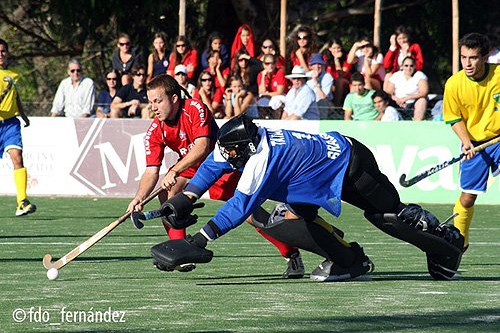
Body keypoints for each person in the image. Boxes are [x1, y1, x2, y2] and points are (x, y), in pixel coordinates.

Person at [150, 114, 464, 281]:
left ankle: (446, 245)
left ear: (245, 148)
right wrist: (186, 197)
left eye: (233, 152)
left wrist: (199, 240)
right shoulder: (243, 139)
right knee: (281, 220)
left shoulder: (263, 159)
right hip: (316, 175)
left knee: (389, 217)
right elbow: (211, 166)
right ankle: (349, 260)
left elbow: (239, 206)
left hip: (350, 165)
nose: (228, 156)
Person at [128, 75, 304, 277]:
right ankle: (178, 253)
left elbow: (202, 148)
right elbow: (151, 171)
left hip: (221, 166)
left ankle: (291, 254)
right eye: (151, 102)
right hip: (192, 168)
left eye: (158, 101)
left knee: (249, 214)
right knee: (170, 195)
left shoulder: (194, 108)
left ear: (174, 98)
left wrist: (174, 170)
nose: (153, 108)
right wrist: (139, 198)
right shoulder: (155, 130)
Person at [443, 33, 500, 252]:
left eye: (473, 58)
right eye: (464, 57)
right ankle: (460, 240)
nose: (467, 63)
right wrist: (466, 143)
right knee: (467, 199)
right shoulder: (454, 84)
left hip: (498, 138)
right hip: (475, 143)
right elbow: (454, 118)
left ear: (485, 57)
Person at [0, 38, 36, 216]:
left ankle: (22, 201)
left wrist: (23, 116)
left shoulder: (14, 74)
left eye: (3, 51)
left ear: (7, 53)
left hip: (10, 123)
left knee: (17, 158)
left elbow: (16, 98)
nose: (0, 55)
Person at [385, 56, 429, 121]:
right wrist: (397, 100)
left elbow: (424, 92)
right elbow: (388, 92)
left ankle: (417, 123)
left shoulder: (420, 75)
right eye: (406, 66)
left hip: (413, 102)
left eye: (411, 66)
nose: (409, 68)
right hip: (397, 103)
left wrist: (406, 98)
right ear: (402, 66)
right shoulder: (396, 76)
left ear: (414, 66)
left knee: (422, 101)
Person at [325, 38, 352, 107]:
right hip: (330, 83)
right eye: (334, 48)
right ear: (329, 49)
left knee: (339, 81)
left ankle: (336, 106)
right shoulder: (325, 58)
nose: (336, 51)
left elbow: (341, 75)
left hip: (345, 83)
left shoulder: (347, 58)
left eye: (338, 48)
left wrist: (336, 59)